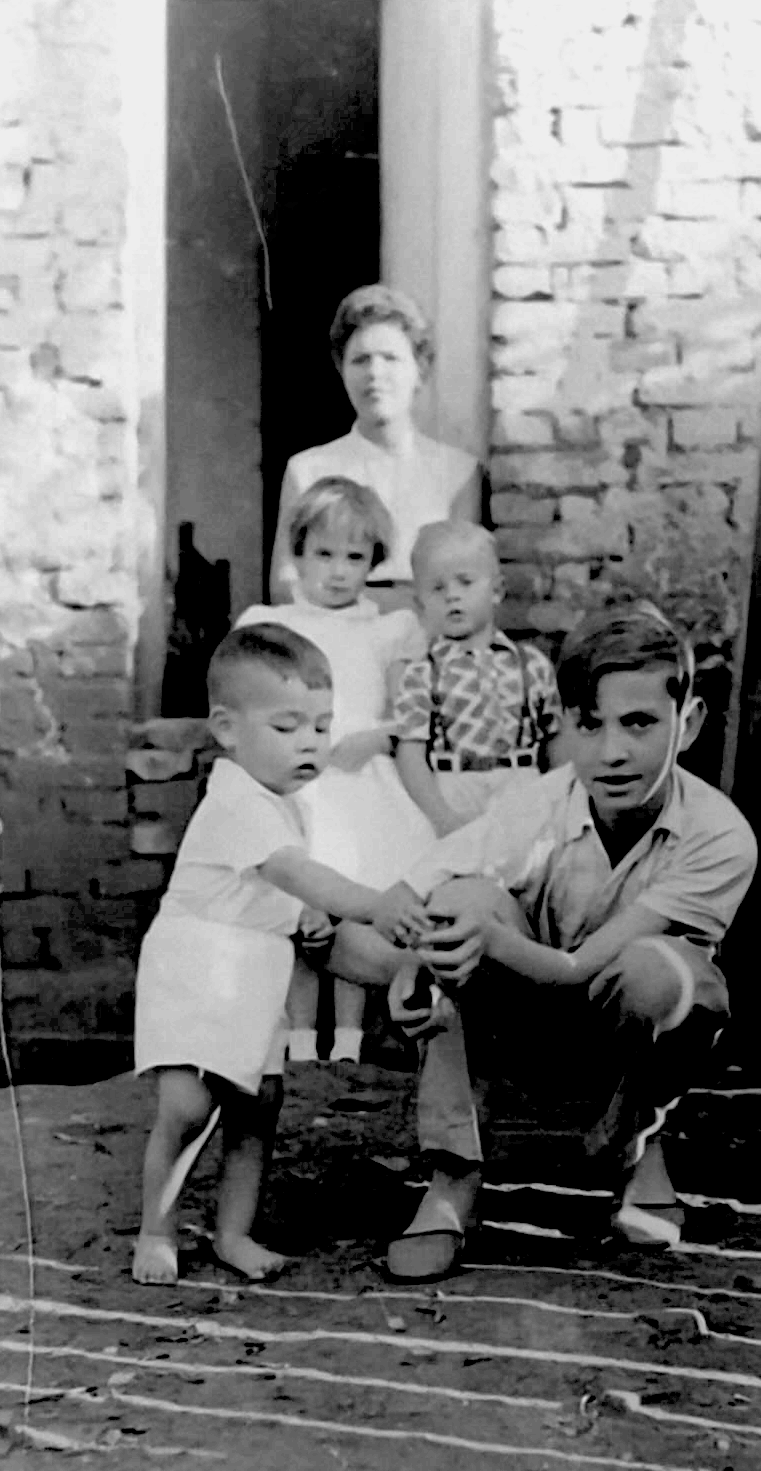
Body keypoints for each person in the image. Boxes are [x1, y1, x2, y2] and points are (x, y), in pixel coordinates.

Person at [334, 606, 758, 1280]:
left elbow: (579, 968)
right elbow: (405, 898)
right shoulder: (536, 804)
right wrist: (419, 956)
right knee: (460, 901)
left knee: (663, 974)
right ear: (562, 724)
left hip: (618, 1021)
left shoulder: (719, 835)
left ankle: (638, 1141)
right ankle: (453, 1174)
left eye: (639, 723)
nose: (612, 752)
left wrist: (480, 939)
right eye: (589, 725)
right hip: (524, 1021)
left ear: (690, 723)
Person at [131, 622, 425, 1285]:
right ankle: (156, 1230)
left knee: (256, 1109)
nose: (310, 742)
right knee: (187, 1106)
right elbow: (294, 873)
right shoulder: (236, 798)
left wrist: (309, 919)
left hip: (254, 971)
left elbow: (284, 892)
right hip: (199, 968)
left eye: (321, 726)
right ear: (228, 729)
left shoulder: (288, 803)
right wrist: (372, 903)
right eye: (288, 726)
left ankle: (233, 1233)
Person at [235, 476, 432, 1064]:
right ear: (297, 555)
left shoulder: (387, 628)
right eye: (324, 554)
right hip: (300, 784)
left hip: (362, 783)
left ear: (374, 561)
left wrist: (376, 736)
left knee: (356, 902)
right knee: (298, 907)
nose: (339, 572)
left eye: (355, 557)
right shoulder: (273, 626)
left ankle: (349, 1039)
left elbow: (410, 713)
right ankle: (298, 1036)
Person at [269, 284, 481, 610]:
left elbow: (461, 591)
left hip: (424, 635)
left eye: (390, 358)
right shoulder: (308, 469)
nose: (374, 373)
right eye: (360, 360)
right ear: (341, 370)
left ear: (420, 370)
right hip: (330, 631)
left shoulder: (458, 473)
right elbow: (285, 588)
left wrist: (346, 596)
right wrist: (402, 600)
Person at [391, 520, 563, 833]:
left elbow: (556, 744)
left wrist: (560, 802)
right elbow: (411, 754)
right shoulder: (423, 673)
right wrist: (440, 815)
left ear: (496, 591)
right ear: (420, 604)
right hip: (455, 788)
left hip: (522, 785)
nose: (452, 596)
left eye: (465, 582)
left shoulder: (531, 665)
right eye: (438, 588)